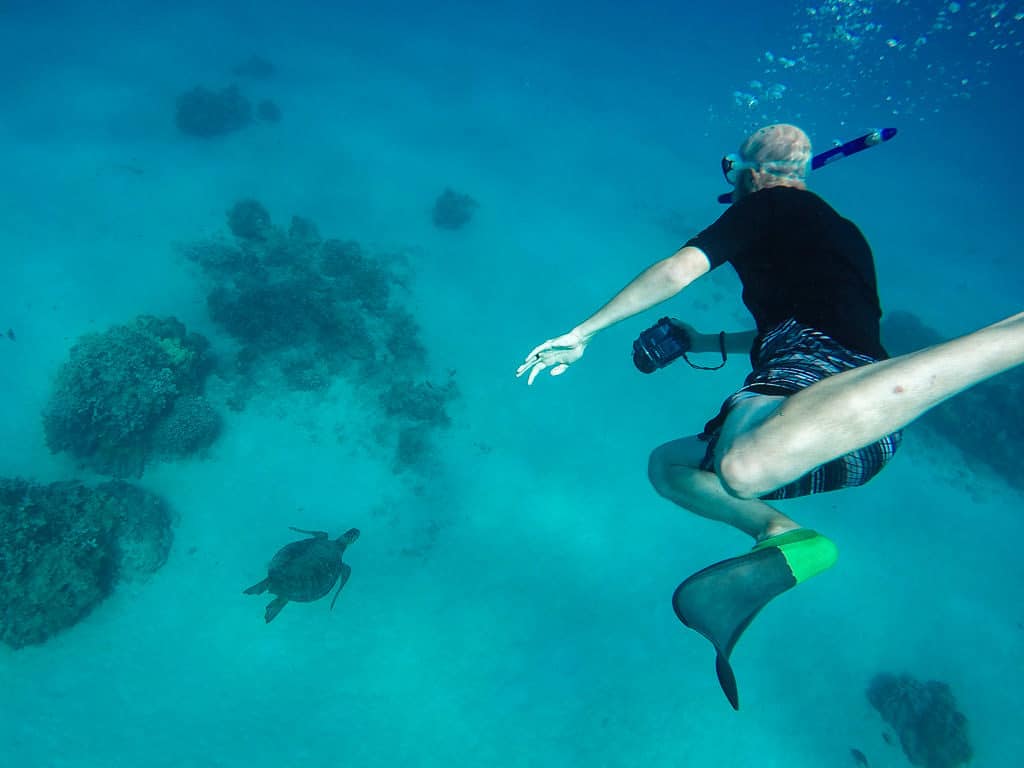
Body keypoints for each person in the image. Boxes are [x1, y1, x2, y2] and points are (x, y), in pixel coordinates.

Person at [515, 123, 1024, 709]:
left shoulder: (769, 202)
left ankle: (999, 344)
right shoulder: (842, 235)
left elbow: (681, 269)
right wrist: (701, 342)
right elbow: (801, 326)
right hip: (856, 434)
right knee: (673, 468)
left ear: (753, 173)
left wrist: (584, 332)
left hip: (824, 389)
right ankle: (782, 536)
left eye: (731, 169)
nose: (729, 183)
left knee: (743, 466)